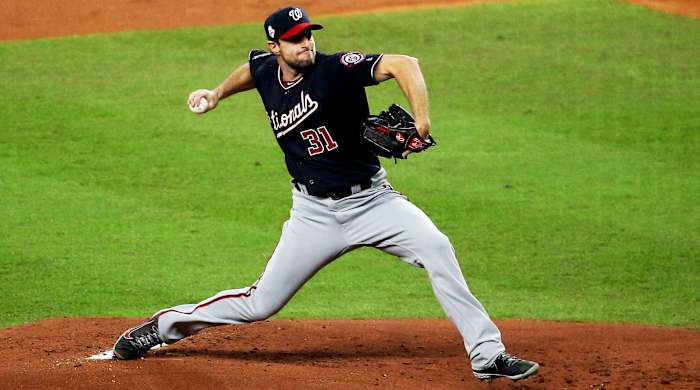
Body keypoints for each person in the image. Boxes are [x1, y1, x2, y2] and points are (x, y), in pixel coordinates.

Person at [112, 6, 540, 382]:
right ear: (275, 45)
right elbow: (253, 71)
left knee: (437, 248)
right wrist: (217, 93)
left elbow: (404, 63)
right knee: (260, 303)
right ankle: (161, 326)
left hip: (374, 202)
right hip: (313, 215)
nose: (306, 43)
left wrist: (423, 119)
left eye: (309, 35)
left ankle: (488, 356)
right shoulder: (266, 68)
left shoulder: (337, 69)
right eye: (295, 39)